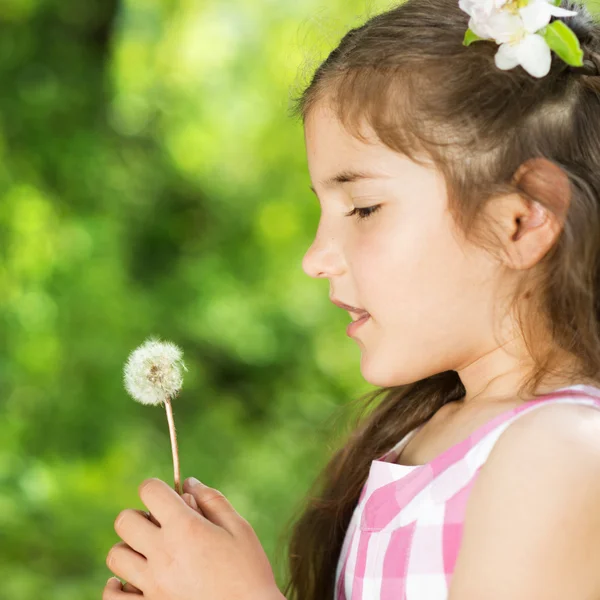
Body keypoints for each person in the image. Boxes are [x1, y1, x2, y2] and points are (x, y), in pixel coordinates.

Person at [279, 0, 600, 598]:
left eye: (364, 208)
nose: (316, 257)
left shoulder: (562, 454)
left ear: (522, 221)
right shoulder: (417, 437)